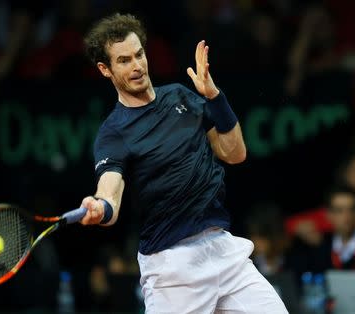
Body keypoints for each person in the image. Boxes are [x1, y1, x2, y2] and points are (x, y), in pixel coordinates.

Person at [79, 13, 288, 313]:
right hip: (172, 268)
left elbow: (235, 153)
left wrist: (214, 97)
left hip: (223, 250)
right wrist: (100, 207)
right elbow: (110, 192)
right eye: (123, 60)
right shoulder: (113, 134)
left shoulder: (181, 97)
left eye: (139, 54)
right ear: (105, 69)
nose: (137, 66)